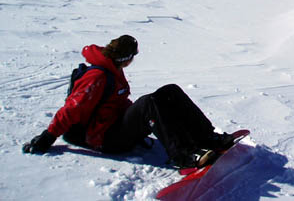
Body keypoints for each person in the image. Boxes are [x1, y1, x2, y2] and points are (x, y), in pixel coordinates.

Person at [22, 35, 239, 168]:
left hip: (111, 125)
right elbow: (72, 109)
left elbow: (114, 103)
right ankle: (182, 156)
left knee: (169, 91)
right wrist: (47, 138)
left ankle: (207, 137)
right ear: (126, 59)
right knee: (149, 104)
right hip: (103, 138)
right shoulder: (97, 76)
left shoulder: (112, 68)